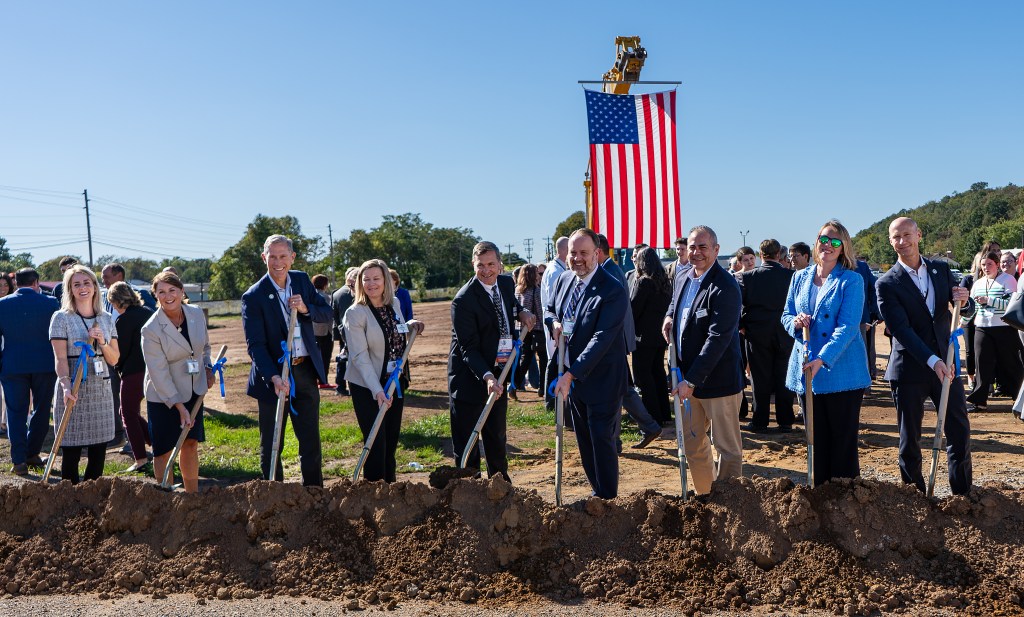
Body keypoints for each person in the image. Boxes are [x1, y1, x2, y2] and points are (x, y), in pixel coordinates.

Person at [876, 216, 974, 495]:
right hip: (910, 369)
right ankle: (914, 498)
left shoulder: (941, 270)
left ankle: (962, 494)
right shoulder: (886, 283)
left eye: (907, 235)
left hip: (948, 364)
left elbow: (961, 311)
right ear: (890, 241)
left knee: (958, 430)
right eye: (896, 237)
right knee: (910, 439)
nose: (902, 241)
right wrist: (934, 361)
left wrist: (964, 303)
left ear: (919, 235)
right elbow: (902, 331)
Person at [782, 221, 870, 483]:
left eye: (835, 242)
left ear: (843, 247)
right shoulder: (799, 277)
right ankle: (818, 496)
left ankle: (844, 501)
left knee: (842, 443)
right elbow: (785, 315)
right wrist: (795, 324)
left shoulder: (851, 280)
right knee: (814, 439)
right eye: (823, 240)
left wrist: (824, 358)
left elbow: (848, 326)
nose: (828, 246)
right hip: (806, 369)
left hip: (841, 371)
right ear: (816, 242)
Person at [242, 234, 333, 486]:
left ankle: (314, 494)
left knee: (310, 440)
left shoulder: (302, 281)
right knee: (272, 443)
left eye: (283, 256)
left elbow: (327, 314)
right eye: (272, 256)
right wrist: (273, 377)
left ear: (292, 258)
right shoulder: (254, 296)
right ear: (264, 258)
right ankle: (274, 497)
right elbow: (256, 346)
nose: (278, 262)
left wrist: (305, 309)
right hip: (272, 377)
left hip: (303, 371)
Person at [664, 226, 745, 494]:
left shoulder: (725, 286)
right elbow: (676, 305)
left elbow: (717, 339)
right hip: (686, 381)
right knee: (693, 446)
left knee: (727, 448)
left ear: (716, 250)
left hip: (717, 382)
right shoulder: (684, 276)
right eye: (692, 247)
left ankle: (729, 505)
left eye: (703, 247)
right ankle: (705, 499)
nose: (696, 253)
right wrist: (668, 318)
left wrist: (691, 380)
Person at [548, 228, 629, 498]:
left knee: (600, 437)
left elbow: (602, 338)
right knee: (583, 437)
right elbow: (550, 309)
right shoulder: (564, 280)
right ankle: (597, 490)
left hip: (602, 377)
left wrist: (571, 375)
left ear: (596, 254)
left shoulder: (612, 289)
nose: (578, 259)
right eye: (573, 253)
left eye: (584, 253)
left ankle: (607, 497)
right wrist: (554, 323)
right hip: (573, 376)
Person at [448, 241, 536, 479]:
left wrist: (521, 311)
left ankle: (500, 487)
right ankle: (469, 490)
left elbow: (511, 305)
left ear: (499, 264)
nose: (486, 270)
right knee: (468, 440)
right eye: (480, 265)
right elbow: (468, 348)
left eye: (490, 264)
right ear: (473, 265)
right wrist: (486, 376)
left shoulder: (506, 283)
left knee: (496, 436)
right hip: (471, 377)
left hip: (500, 370)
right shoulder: (463, 300)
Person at [344, 259, 425, 482]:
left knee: (390, 441)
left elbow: (394, 331)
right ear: (360, 282)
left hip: (394, 382)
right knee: (375, 443)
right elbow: (360, 357)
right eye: (366, 279)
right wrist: (377, 390)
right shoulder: (355, 313)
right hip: (367, 385)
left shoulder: (395, 304)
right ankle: (374, 493)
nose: (371, 283)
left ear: (386, 281)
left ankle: (391, 490)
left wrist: (410, 325)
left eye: (376, 278)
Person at [141, 272, 215, 492]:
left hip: (193, 390)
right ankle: (166, 499)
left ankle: (191, 498)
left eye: (172, 290)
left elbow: (205, 348)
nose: (168, 296)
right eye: (161, 292)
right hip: (164, 396)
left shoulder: (195, 313)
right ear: (155, 295)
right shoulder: (151, 329)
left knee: (190, 444)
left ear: (182, 291)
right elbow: (158, 372)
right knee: (164, 450)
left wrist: (208, 368)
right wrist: (178, 405)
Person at [49, 265, 120, 484]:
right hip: (73, 387)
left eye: (87, 283)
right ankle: (70, 499)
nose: (82, 288)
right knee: (71, 449)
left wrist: (102, 342)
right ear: (70, 289)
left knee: (98, 451)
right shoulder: (60, 318)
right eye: (76, 284)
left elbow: (114, 358)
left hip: (100, 389)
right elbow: (60, 359)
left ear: (95, 287)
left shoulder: (106, 318)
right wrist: (65, 385)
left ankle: (91, 499)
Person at [0, 268, 60, 475]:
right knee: (42, 410)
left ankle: (18, 460)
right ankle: (33, 453)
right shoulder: (51, 303)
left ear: (15, 282)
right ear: (36, 282)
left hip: (12, 365)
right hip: (45, 365)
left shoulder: (2, 304)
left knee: (16, 412)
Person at [739, 239, 796, 433]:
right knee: (783, 377)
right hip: (785, 333)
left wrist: (742, 326)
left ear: (760, 255)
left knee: (759, 378)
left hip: (757, 335)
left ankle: (760, 420)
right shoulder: (791, 276)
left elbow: (738, 306)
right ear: (779, 254)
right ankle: (785, 420)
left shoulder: (748, 278)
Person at [966, 250, 1022, 409]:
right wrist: (961, 323)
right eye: (983, 265)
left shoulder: (1008, 280)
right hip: (982, 327)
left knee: (1010, 363)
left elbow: (1012, 304)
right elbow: (973, 308)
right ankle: (979, 400)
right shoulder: (977, 283)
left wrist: (989, 300)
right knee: (981, 362)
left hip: (1005, 328)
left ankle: (1018, 398)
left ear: (997, 264)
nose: (985, 267)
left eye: (989, 264)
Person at [107, 281, 154, 472]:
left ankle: (141, 459)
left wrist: (116, 365)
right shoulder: (149, 313)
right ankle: (158, 446)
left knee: (127, 413)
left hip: (133, 372)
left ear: (116, 301)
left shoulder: (124, 320)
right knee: (129, 413)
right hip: (152, 370)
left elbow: (121, 351)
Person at [630, 247, 672, 427]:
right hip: (659, 336)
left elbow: (634, 310)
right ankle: (664, 413)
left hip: (643, 337)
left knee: (643, 376)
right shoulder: (665, 281)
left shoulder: (643, 282)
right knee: (658, 373)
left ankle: (652, 415)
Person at [540, 236, 569, 409]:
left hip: (558, 324)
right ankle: (551, 400)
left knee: (557, 360)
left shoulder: (558, 268)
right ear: (563, 250)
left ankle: (555, 399)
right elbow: (555, 303)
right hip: (554, 324)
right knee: (555, 361)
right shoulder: (554, 271)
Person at [512, 264, 547, 399]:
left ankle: (514, 386)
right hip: (537, 329)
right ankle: (542, 388)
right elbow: (539, 311)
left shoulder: (517, 290)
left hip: (522, 329)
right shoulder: (536, 291)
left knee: (525, 359)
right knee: (543, 359)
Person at [332, 267, 358, 395]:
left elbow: (335, 317)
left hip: (344, 333)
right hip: (358, 334)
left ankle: (340, 387)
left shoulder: (336, 293)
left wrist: (340, 335)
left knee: (342, 360)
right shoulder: (359, 292)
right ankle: (355, 388)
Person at [854, 257, 880, 381]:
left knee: (862, 352)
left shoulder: (861, 267)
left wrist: (873, 314)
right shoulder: (829, 265)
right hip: (836, 321)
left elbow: (872, 289)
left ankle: (864, 384)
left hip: (860, 319)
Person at [311, 274, 336, 390]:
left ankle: (313, 380)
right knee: (325, 357)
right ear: (325, 284)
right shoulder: (326, 297)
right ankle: (323, 380)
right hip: (325, 332)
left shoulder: (309, 295)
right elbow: (329, 315)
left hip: (312, 332)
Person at [0, 272, 12, 436]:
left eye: (5, 285)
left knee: (6, 392)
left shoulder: (12, 305)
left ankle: (4, 422)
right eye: (0, 285)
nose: (2, 288)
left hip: (9, 351)